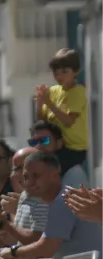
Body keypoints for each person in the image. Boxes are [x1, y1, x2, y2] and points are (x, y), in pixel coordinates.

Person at [36, 48, 88, 178]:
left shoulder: (79, 92)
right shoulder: (54, 91)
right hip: (57, 146)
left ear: (76, 71)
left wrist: (49, 103)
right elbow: (42, 121)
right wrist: (40, 102)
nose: (59, 76)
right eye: (56, 72)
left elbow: (68, 121)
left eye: (64, 72)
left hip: (75, 148)